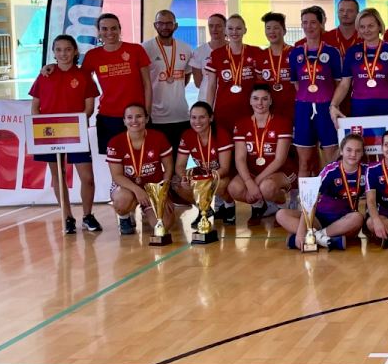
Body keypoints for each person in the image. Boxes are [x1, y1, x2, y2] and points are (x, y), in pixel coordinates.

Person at [29, 34, 100, 233]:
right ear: (53, 52)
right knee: (58, 176)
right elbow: (35, 106)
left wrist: (73, 125)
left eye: (68, 49)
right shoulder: (45, 75)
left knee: (87, 178)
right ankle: (67, 217)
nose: (63, 53)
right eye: (58, 50)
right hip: (50, 134)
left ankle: (87, 216)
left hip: (75, 132)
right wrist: (41, 126)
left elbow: (89, 109)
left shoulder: (84, 75)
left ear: (75, 51)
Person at [276, 133, 366, 251]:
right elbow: (311, 200)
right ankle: (327, 240)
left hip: (344, 221)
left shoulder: (366, 171)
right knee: (281, 215)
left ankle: (314, 238)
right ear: (341, 151)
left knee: (358, 218)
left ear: (362, 153)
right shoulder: (330, 171)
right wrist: (301, 230)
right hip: (318, 219)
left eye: (357, 151)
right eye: (349, 150)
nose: (353, 154)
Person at [81, 13, 152, 155]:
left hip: (136, 116)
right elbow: (81, 83)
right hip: (108, 117)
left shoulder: (135, 50)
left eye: (113, 28)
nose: (109, 32)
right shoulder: (92, 55)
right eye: (104, 29)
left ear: (119, 29)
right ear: (98, 31)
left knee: (141, 160)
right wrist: (52, 67)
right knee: (114, 162)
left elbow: (147, 85)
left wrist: (147, 113)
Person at [290, 5, 344, 176]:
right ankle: (305, 194)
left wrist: (330, 104)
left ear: (321, 24)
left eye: (313, 22)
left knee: (331, 160)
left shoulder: (332, 52)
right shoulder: (295, 53)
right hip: (303, 108)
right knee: (304, 162)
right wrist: (309, 97)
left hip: (326, 108)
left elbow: (339, 84)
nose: (309, 26)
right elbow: (296, 83)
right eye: (305, 22)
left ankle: (329, 191)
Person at [229, 84, 296, 221]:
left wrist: (255, 182)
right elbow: (240, 158)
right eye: (255, 98)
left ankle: (282, 206)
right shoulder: (241, 124)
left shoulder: (282, 122)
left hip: (280, 171)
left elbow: (279, 160)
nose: (260, 103)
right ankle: (259, 205)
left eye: (264, 99)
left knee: (267, 187)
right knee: (234, 188)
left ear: (270, 101)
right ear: (250, 101)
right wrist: (249, 182)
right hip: (253, 171)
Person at [333, 7, 388, 122]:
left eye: (371, 26)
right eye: (362, 27)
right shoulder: (352, 52)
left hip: (387, 105)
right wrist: (333, 105)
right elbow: (344, 84)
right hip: (360, 106)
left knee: (386, 135)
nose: (366, 30)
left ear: (379, 26)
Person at [106, 103, 174, 236]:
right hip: (128, 188)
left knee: (164, 224)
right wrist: (137, 190)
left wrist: (163, 193)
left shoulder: (159, 137)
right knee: (122, 200)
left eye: (139, 116)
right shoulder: (115, 142)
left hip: (153, 187)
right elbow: (117, 176)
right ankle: (125, 216)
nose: (134, 121)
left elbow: (169, 167)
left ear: (147, 119)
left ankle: (147, 209)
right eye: (129, 117)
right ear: (124, 121)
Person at [172, 100, 235, 221]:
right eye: (193, 117)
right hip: (203, 172)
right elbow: (179, 165)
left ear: (211, 118)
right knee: (176, 183)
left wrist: (204, 180)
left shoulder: (221, 134)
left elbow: (225, 168)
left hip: (222, 174)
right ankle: (204, 209)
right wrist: (185, 177)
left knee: (220, 184)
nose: (197, 121)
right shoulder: (187, 135)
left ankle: (229, 205)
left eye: (202, 117)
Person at [142, 8, 194, 151]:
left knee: (179, 158)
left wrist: (174, 89)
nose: (165, 27)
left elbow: (186, 75)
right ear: (155, 25)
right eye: (161, 23)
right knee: (157, 157)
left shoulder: (186, 48)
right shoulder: (145, 48)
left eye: (169, 23)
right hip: (155, 117)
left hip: (181, 115)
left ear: (175, 26)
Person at [204, 14, 260, 132]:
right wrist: (208, 111)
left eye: (238, 28)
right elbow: (211, 86)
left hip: (250, 110)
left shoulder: (255, 52)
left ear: (245, 30)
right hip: (223, 111)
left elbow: (261, 83)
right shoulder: (216, 54)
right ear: (225, 30)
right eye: (230, 28)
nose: (234, 32)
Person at [258, 11, 294, 121]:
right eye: (268, 28)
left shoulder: (295, 53)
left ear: (284, 31)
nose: (271, 32)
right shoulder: (261, 55)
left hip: (293, 109)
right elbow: (259, 85)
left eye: (276, 28)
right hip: (269, 111)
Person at [191, 12, 226, 95]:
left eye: (218, 26)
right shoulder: (199, 51)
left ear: (225, 27)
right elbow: (198, 83)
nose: (214, 29)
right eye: (211, 26)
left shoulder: (233, 49)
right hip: (205, 98)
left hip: (228, 98)